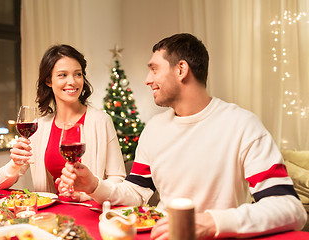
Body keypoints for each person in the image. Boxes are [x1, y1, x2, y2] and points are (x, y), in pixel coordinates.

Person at [58, 33, 307, 238]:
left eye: (154, 69)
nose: (147, 80)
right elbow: (136, 192)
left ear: (181, 70)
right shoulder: (154, 129)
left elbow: (290, 208)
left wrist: (210, 223)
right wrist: (94, 185)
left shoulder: (243, 125)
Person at [0, 44, 126, 202]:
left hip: (91, 215)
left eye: (78, 74)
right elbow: (1, 183)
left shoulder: (101, 121)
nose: (72, 81)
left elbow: (118, 179)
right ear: (48, 81)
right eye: (62, 75)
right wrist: (15, 164)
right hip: (50, 217)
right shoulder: (39, 127)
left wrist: (84, 194)